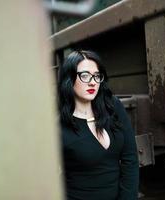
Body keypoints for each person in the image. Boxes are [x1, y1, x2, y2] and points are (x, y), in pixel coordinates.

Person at [58, 50, 139, 200]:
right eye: (85, 75)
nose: (92, 81)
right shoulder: (59, 126)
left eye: (96, 76)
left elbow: (130, 159)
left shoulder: (113, 106)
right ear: (69, 78)